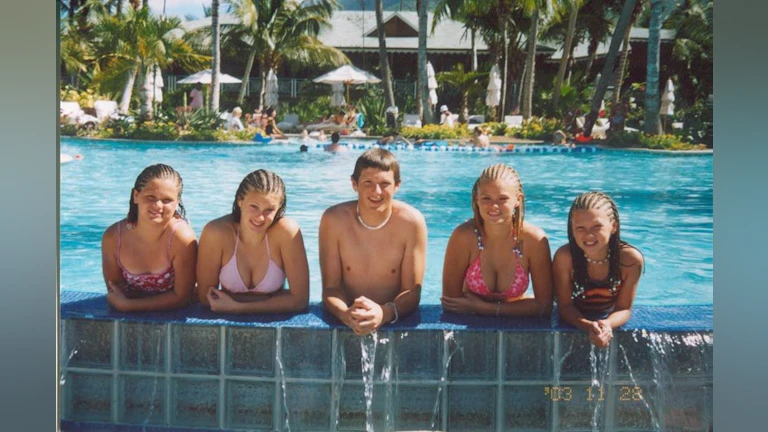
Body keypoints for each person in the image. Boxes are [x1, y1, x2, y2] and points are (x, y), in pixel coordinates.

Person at [319, 149, 428, 335]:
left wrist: (384, 313)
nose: (376, 191)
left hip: (392, 316)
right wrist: (346, 314)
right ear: (354, 184)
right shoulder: (334, 220)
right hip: (351, 314)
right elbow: (330, 289)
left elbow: (412, 292)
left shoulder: (411, 222)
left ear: (397, 186)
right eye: (368, 182)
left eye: (384, 184)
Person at [441, 164, 553, 317]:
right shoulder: (464, 237)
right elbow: (450, 302)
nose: (494, 206)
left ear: (518, 200)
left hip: (515, 326)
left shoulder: (534, 240)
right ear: (477, 199)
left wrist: (482, 308)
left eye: (502, 199)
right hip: (475, 323)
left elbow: (544, 306)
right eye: (486, 198)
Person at [196, 169, 310, 314]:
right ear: (240, 201)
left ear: (279, 209)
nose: (260, 217)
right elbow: (206, 297)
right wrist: (274, 299)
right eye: (254, 206)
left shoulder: (286, 232)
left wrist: (237, 307)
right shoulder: (216, 232)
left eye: (269, 210)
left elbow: (300, 300)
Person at [553, 191, 644, 348]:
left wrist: (607, 325)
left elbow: (624, 308)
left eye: (597, 227)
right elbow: (565, 306)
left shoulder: (629, 260)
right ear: (572, 230)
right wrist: (588, 326)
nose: (589, 235)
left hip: (605, 313)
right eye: (580, 228)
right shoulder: (565, 258)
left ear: (613, 226)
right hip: (574, 312)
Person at [101, 164, 198, 312]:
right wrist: (125, 303)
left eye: (167, 200)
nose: (158, 206)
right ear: (136, 196)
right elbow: (115, 291)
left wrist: (129, 306)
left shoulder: (181, 238)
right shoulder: (114, 237)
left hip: (176, 314)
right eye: (150, 197)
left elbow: (182, 297)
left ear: (177, 202)